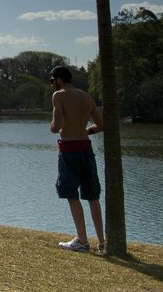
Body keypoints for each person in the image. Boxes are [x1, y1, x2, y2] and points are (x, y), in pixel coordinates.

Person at [49, 65, 105, 253]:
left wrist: (53, 125)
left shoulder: (59, 95)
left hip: (69, 149)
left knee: (71, 194)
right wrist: (86, 130)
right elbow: (101, 124)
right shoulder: (86, 96)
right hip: (85, 149)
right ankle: (102, 241)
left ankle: (82, 239)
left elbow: (56, 126)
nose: (52, 85)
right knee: (92, 195)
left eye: (52, 81)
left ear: (58, 79)